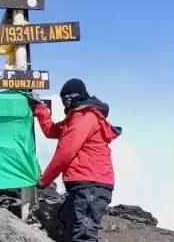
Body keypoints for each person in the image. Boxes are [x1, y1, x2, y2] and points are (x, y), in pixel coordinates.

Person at [26, 78, 122, 242]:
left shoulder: (85, 116)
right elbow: (51, 131)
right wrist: (40, 108)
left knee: (84, 234)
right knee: (71, 228)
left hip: (90, 184)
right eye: (64, 95)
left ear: (82, 95)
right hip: (84, 185)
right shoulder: (74, 118)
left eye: (72, 94)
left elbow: (66, 152)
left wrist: (44, 180)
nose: (68, 98)